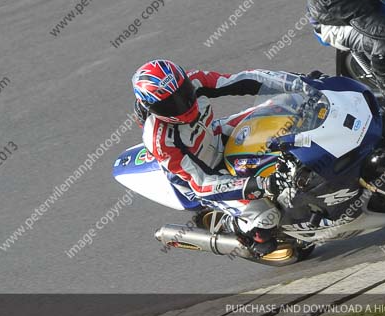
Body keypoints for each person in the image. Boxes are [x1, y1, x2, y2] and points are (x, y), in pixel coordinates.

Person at [131, 59, 313, 257]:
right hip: (205, 177)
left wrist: (299, 82)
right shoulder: (161, 140)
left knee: (287, 103)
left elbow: (244, 79)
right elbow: (202, 185)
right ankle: (237, 227)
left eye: (184, 93)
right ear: (153, 108)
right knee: (266, 218)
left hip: (219, 136)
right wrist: (262, 184)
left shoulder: (195, 81)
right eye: (170, 104)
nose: (183, 104)